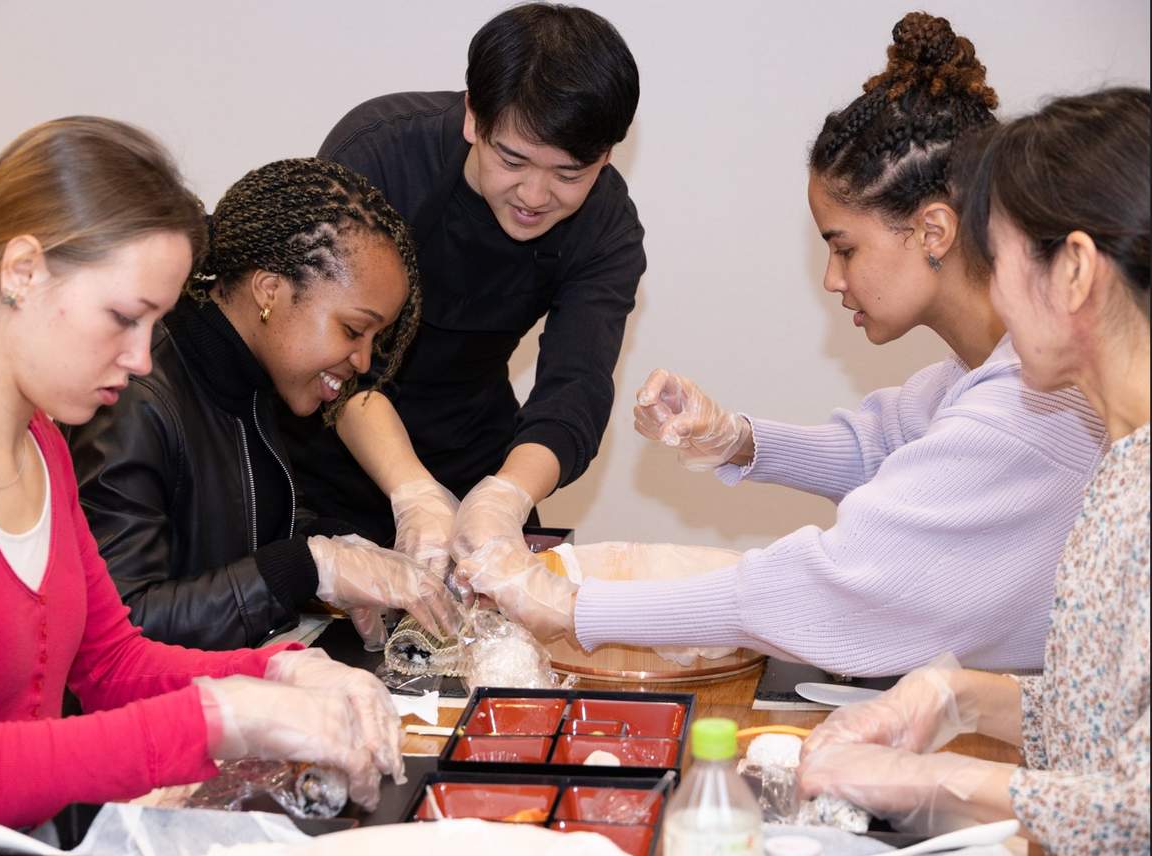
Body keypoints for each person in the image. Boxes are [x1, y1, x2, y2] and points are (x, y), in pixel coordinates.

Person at [459, 13, 1107, 676]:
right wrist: (736, 440)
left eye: (844, 249)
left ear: (932, 232)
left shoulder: (1023, 407)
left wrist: (574, 609)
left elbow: (827, 584)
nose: (831, 279)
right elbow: (880, 449)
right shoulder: (984, 373)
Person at [0, 118, 401, 854]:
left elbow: (112, 663)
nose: (142, 359)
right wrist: (222, 717)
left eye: (154, 324)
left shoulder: (41, 442)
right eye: (122, 318)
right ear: (22, 271)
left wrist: (286, 669)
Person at [798, 87, 1150, 853]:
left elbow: (1135, 806)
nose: (987, 293)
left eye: (994, 259)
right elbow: (1100, 723)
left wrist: (933, 781)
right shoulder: (1123, 461)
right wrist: (959, 697)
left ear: (1075, 270)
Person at [280, 2, 646, 582]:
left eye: (569, 174)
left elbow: (575, 388)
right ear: (474, 117)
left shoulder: (605, 225)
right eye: (513, 159)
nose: (535, 194)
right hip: (327, 448)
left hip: (473, 450)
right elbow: (326, 348)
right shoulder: (380, 153)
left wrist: (505, 497)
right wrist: (412, 491)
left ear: (604, 157)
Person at [65, 158, 459, 651]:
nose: (361, 361)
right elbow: (123, 626)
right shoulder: (136, 396)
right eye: (354, 330)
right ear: (270, 290)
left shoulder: (248, 377)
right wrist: (307, 568)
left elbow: (231, 527)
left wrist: (342, 545)